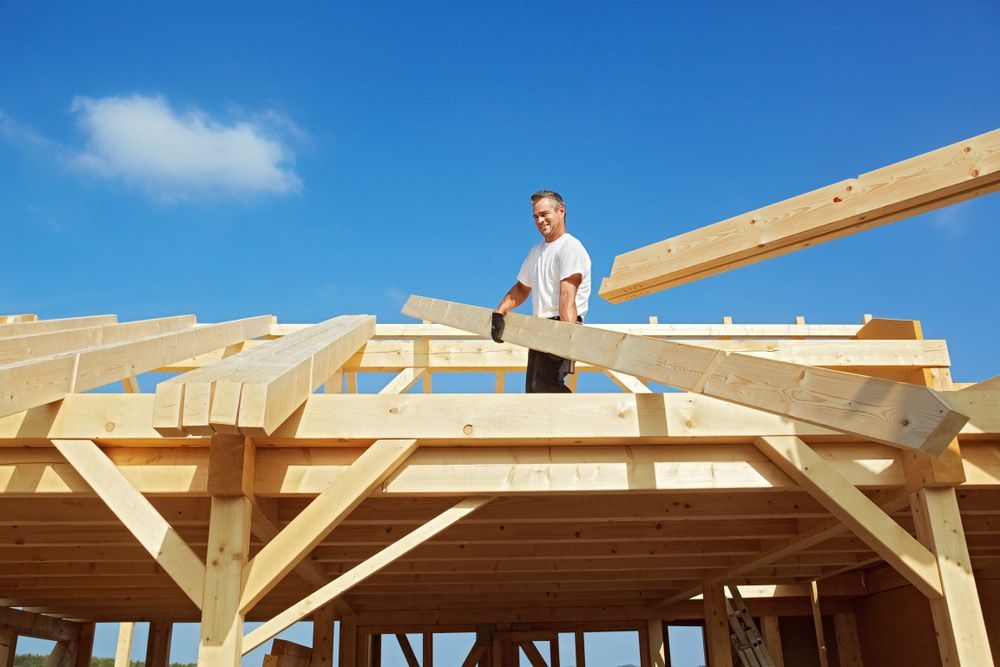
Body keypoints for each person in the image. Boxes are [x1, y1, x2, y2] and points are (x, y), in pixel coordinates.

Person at [491, 190, 592, 393]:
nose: (540, 220)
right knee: (535, 391)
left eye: (545, 214)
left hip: (561, 324)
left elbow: (567, 295)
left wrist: (567, 336)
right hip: (540, 326)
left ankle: (579, 422)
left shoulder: (570, 247)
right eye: (536, 217)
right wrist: (500, 312)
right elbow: (521, 288)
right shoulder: (536, 251)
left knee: (548, 387)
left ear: (561, 211)